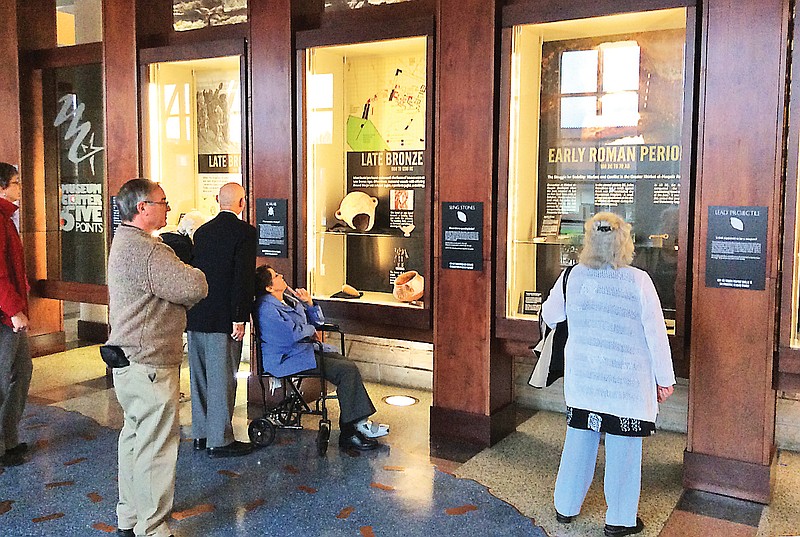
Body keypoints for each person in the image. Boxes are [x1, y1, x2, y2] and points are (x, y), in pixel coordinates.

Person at [541, 212, 675, 537]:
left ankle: (566, 507)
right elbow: (656, 334)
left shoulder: (572, 276)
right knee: (624, 451)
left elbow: (551, 314)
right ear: (624, 242)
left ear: (589, 242)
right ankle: (619, 519)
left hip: (585, 382)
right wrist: (664, 379)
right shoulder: (639, 280)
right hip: (625, 386)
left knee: (578, 441)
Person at [106, 178, 207, 537]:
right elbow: (195, 286)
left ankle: (129, 516)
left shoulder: (125, 242)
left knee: (135, 437)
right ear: (142, 208)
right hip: (149, 361)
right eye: (162, 201)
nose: (168, 207)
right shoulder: (150, 252)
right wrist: (190, 270)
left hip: (129, 359)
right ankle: (152, 527)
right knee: (157, 447)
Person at [254, 264, 388, 451]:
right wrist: (309, 330)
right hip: (287, 359)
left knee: (347, 364)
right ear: (269, 287)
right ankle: (350, 432)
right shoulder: (267, 309)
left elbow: (318, 322)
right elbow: (288, 337)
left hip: (303, 351)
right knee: (346, 371)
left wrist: (309, 303)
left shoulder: (288, 299)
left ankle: (358, 422)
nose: (281, 275)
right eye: (275, 275)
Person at [186, 183, 257, 458]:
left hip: (198, 314)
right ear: (242, 202)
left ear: (217, 201)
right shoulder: (245, 233)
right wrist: (239, 317)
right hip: (224, 318)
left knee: (199, 377)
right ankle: (220, 440)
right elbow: (242, 279)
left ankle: (201, 435)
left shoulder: (202, 231)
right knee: (223, 378)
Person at [0, 162, 31, 468]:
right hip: (5, 316)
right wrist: (14, 310)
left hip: (12, 313)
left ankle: (9, 438)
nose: (20, 188)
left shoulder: (6, 218)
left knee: (22, 372)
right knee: (2, 379)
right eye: (16, 183)